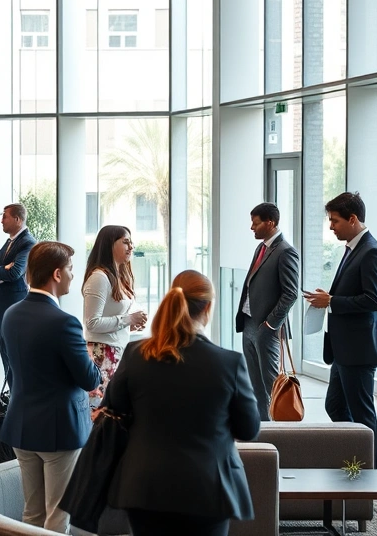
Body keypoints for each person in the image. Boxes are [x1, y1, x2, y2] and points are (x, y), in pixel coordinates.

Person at [105, 270, 260, 536]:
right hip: (208, 488)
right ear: (208, 307)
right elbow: (249, 429)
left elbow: (113, 409)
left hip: (144, 486)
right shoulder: (228, 363)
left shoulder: (136, 354)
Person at [0, 241, 100, 533]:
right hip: (59, 430)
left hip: (21, 425)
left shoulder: (11, 314)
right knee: (58, 516)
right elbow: (90, 379)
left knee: (31, 514)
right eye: (70, 269)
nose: (72, 275)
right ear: (57, 274)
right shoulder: (64, 323)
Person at [304, 192, 377, 463]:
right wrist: (329, 297)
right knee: (335, 405)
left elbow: (373, 300)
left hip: (359, 350)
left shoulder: (372, 252)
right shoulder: (353, 248)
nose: (331, 227)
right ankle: (355, 458)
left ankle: (368, 473)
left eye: (335, 221)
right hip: (344, 349)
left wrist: (331, 300)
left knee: (363, 415)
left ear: (353, 219)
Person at [235, 202, 301, 420]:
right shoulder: (261, 247)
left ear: (270, 223)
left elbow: (290, 294)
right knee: (256, 385)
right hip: (249, 324)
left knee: (272, 385)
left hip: (267, 328)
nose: (251, 228)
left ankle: (281, 433)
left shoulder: (286, 252)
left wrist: (270, 324)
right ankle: (263, 429)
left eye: (255, 223)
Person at [81, 225, 147, 407]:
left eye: (131, 242)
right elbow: (92, 323)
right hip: (102, 355)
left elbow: (111, 317)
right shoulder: (99, 277)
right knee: (101, 415)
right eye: (125, 242)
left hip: (115, 353)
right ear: (110, 245)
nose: (131, 247)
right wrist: (128, 319)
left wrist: (130, 324)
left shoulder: (117, 275)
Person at [0, 203, 36, 387]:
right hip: (1, 305)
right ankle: (13, 394)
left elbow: (15, 273)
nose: (1, 220)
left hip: (14, 304)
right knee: (5, 352)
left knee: (14, 353)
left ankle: (18, 394)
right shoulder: (10, 241)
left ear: (17, 219)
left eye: (5, 216)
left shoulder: (27, 242)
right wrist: (0, 269)